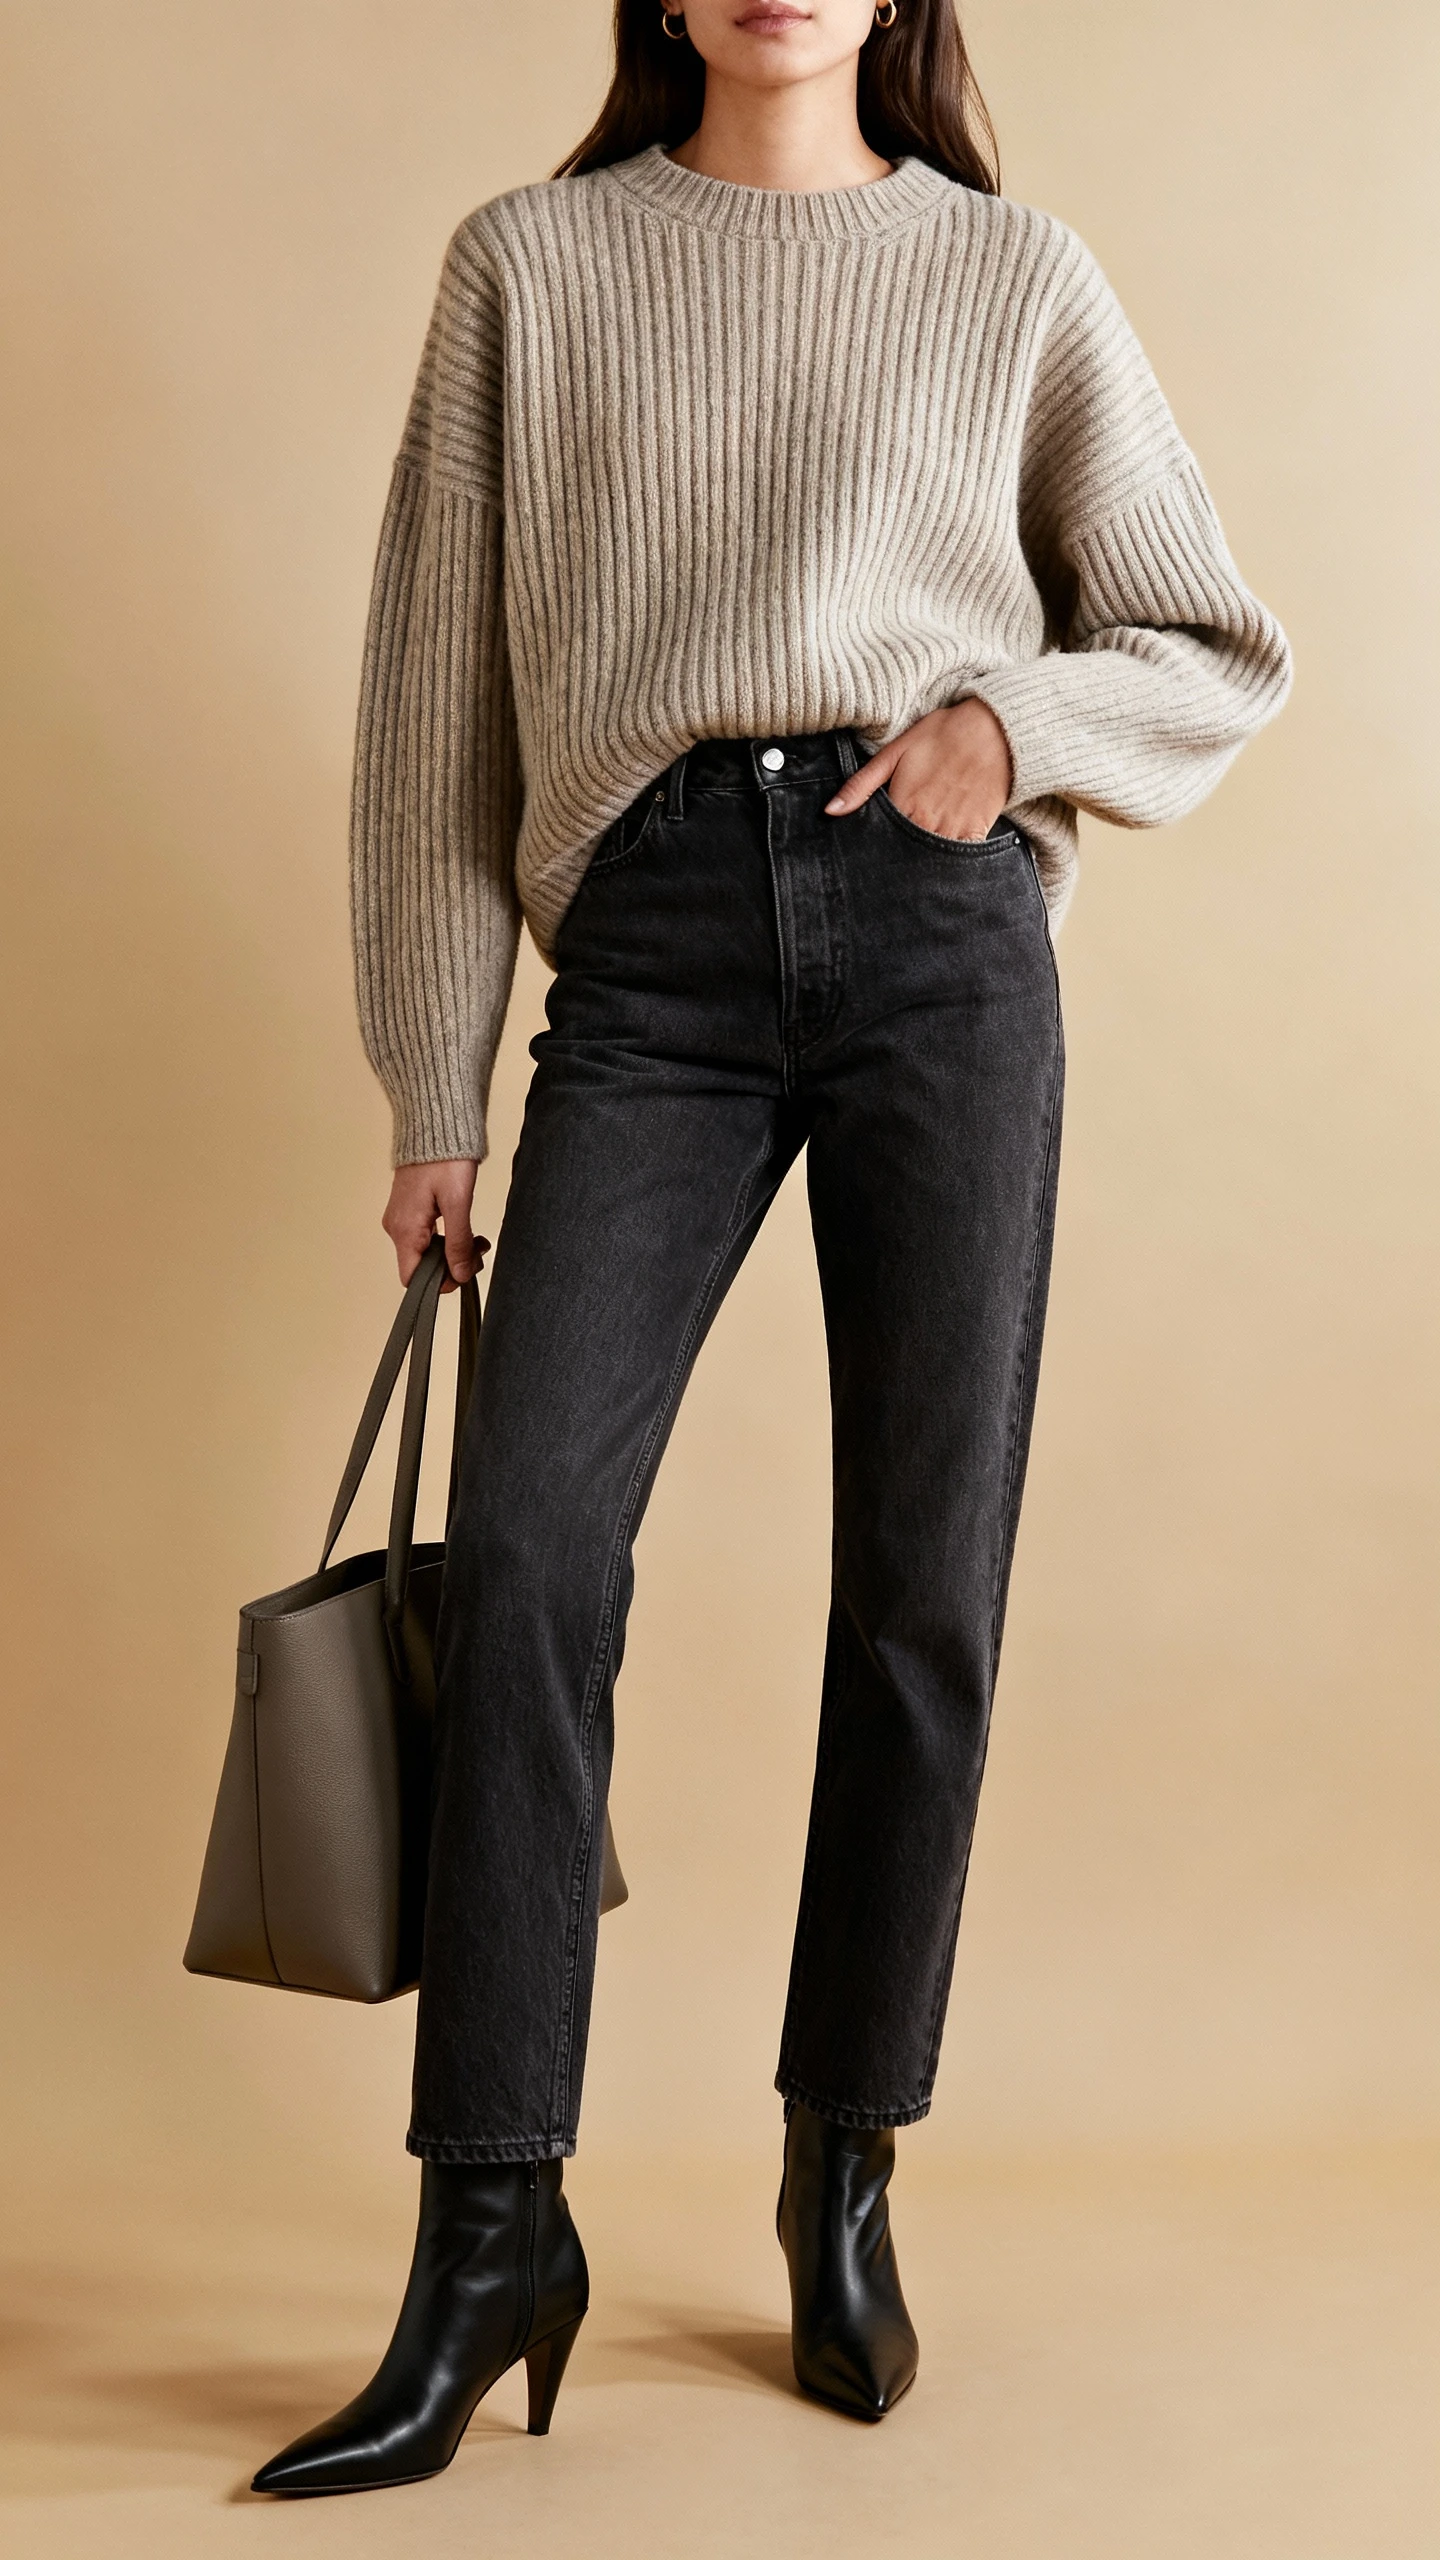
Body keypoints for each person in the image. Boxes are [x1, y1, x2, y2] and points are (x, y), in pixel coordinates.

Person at [252, 0, 1290, 2497]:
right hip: (652, 954)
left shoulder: (1011, 274)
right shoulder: (534, 267)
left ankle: (847, 2160)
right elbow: (435, 701)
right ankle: (490, 2220)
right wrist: (430, 1072)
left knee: (923, 1577)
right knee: (522, 1554)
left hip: (942, 943)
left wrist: (1005, 732)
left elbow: (1213, 637)